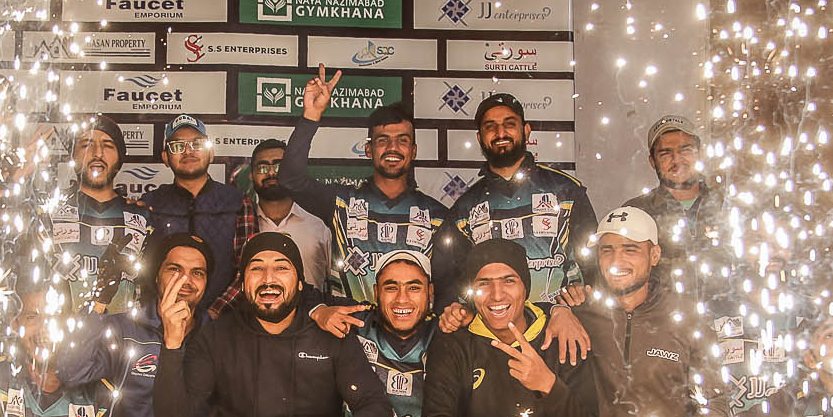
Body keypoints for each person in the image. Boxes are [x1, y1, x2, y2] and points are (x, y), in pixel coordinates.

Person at [153, 232, 393, 417]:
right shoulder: (216, 337)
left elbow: (378, 412)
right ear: (243, 284)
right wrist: (172, 344)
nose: (268, 279)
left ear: (300, 283)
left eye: (281, 268)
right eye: (257, 269)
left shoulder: (330, 334)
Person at [279, 78, 459, 309]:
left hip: (412, 331)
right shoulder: (341, 204)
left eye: (402, 141)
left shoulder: (436, 216)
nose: (392, 148)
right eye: (383, 140)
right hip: (350, 329)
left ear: (413, 151)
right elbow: (290, 180)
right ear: (368, 150)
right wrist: (311, 116)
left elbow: (446, 291)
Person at [422, 240, 599, 417]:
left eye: (509, 281)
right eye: (484, 283)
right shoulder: (453, 344)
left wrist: (549, 386)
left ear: (525, 287)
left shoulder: (562, 336)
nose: (497, 295)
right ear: (472, 292)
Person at [579, 207, 722, 417]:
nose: (616, 260)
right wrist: (559, 310)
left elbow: (716, 408)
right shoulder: (580, 314)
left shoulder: (687, 318)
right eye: (607, 250)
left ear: (654, 255)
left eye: (630, 249)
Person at [52, 233, 222, 417]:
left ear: (206, 283)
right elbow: (70, 372)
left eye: (197, 273)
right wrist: (99, 300)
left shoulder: (217, 335)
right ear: (157, 276)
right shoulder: (126, 328)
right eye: (175, 269)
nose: (186, 280)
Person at [449, 93, 597, 308]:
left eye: (509, 124)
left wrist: (584, 291)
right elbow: (460, 282)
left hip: (561, 320)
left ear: (526, 131)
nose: (500, 133)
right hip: (496, 322)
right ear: (480, 137)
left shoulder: (566, 190)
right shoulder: (465, 207)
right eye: (490, 127)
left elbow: (593, 261)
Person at [0, 269, 111, 417]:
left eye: (54, 317)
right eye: (32, 317)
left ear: (69, 323)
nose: (44, 329)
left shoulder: (101, 394)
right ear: (15, 324)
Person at [143, 114, 257, 313]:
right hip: (161, 320)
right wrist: (161, 314)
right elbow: (141, 269)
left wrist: (215, 313)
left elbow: (249, 268)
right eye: (177, 146)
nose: (188, 151)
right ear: (165, 158)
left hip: (224, 321)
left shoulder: (237, 201)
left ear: (211, 153)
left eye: (197, 144)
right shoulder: (149, 204)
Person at [43, 114, 151, 315]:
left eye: (108, 145)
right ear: (72, 156)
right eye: (86, 144)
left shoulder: (142, 217)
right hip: (62, 330)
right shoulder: (48, 213)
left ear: (119, 158)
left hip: (123, 332)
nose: (97, 152)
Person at [353, 251, 437, 417]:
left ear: (430, 292)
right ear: (376, 292)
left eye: (414, 288)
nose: (402, 299)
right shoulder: (354, 325)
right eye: (391, 287)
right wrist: (318, 310)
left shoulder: (447, 334)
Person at [625, 114, 728, 275]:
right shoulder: (635, 213)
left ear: (700, 153)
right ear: (652, 161)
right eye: (665, 153)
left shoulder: (727, 204)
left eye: (686, 150)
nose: (677, 160)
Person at [248, 139, 331, 291]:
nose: (271, 173)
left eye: (279, 167)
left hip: (313, 306)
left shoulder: (319, 225)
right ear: (251, 175)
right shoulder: (243, 225)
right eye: (262, 168)